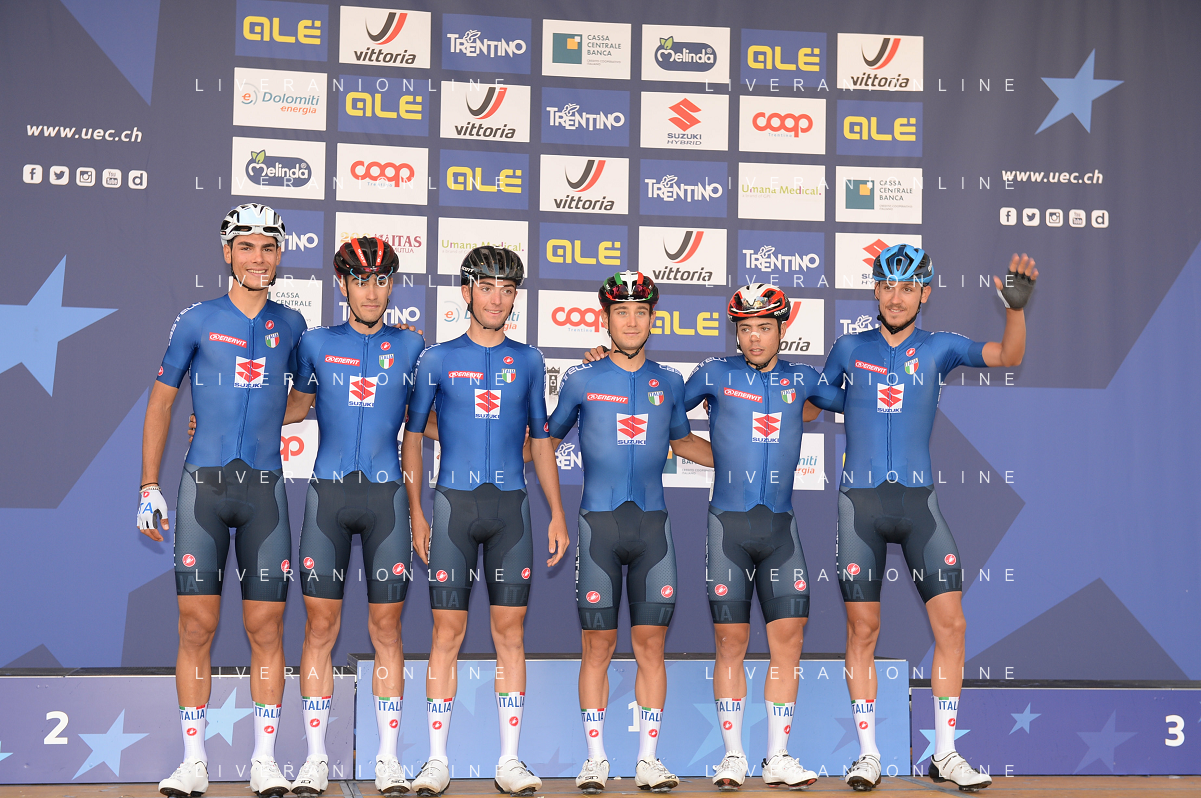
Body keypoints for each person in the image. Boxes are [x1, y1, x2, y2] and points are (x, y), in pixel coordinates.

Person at [823, 245, 1036, 792]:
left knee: (953, 625)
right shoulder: (849, 348)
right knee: (862, 629)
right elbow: (806, 402)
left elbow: (1008, 356)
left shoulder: (939, 347)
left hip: (919, 505)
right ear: (875, 290)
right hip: (860, 505)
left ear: (925, 294)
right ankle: (868, 755)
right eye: (887, 286)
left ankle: (945, 752)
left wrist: (1015, 310)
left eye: (907, 288)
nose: (896, 297)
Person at [139, 204, 306, 798]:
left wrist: (257, 416)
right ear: (228, 253)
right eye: (247, 246)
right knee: (196, 625)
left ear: (279, 255)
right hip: (202, 490)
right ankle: (194, 762)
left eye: (268, 247)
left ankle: (265, 761)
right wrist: (148, 486)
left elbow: (307, 398)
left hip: (264, 490)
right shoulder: (197, 319)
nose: (258, 258)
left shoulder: (294, 325)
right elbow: (161, 403)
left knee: (266, 626)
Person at [400, 247, 571, 797]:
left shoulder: (530, 360)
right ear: (467, 291)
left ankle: (509, 760)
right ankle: (435, 760)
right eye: (488, 287)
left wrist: (557, 513)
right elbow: (412, 436)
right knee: (445, 633)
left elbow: (541, 440)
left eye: (508, 289)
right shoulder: (437, 359)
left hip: (512, 513)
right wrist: (417, 511)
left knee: (510, 635)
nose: (497, 299)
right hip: (453, 508)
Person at [547, 272, 712, 795]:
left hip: (652, 530)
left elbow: (685, 444)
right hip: (597, 525)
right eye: (622, 312)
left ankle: (647, 760)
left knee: (650, 647)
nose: (632, 321)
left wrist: (747, 460)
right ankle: (595, 760)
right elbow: (544, 440)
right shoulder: (581, 378)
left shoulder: (670, 382)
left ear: (652, 318)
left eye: (641, 312)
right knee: (596, 646)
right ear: (607, 319)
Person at [683, 284, 841, 791]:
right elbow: (661, 413)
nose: (754, 337)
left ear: (782, 329)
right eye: (745, 328)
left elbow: (848, 403)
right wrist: (721, 458)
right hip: (727, 526)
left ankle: (777, 756)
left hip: (780, 529)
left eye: (764, 327)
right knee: (730, 641)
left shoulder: (803, 378)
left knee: (788, 641)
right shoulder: (715, 373)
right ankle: (733, 757)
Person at [286, 237, 426, 795]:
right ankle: (315, 758)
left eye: (382, 280)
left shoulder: (413, 345)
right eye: (361, 280)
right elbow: (295, 405)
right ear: (342, 284)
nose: (371, 291)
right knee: (319, 627)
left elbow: (428, 420)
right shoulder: (316, 342)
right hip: (329, 496)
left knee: (386, 628)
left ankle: (387, 760)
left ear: (392, 285)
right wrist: (225, 417)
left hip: (387, 499)